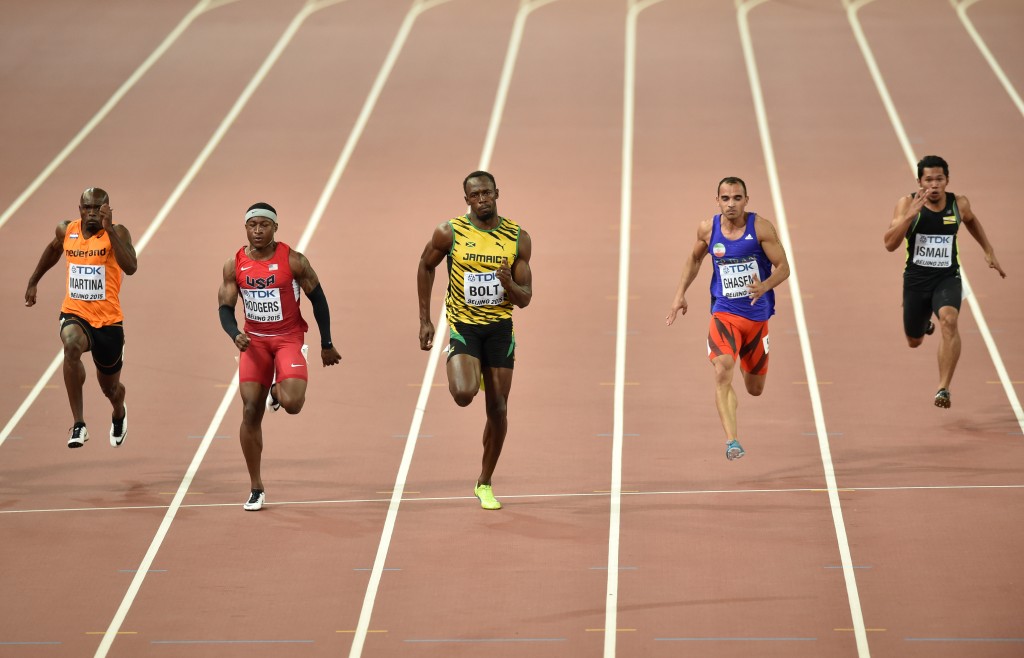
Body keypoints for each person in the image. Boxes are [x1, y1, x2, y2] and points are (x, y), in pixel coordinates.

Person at [417, 171, 533, 510]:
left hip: (499, 330)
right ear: (466, 200)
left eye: (487, 193)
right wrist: (425, 319)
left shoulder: (517, 237)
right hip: (464, 326)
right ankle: (470, 366)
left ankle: (484, 482)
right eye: (475, 195)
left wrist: (509, 283)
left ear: (497, 193)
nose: (482, 199)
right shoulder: (450, 232)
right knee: (464, 394)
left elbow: (525, 299)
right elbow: (425, 266)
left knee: (498, 408)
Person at [218, 202, 341, 511]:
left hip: (288, 339)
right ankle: (256, 487)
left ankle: (277, 389)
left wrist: (326, 342)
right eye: (252, 225)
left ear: (275, 228)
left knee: (293, 405)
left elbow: (319, 299)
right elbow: (224, 306)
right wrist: (234, 333)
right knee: (249, 411)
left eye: (264, 225)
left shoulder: (294, 261)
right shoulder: (234, 265)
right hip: (255, 343)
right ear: (245, 228)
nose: (258, 231)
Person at [665, 177, 790, 460]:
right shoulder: (708, 230)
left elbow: (784, 267)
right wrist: (679, 294)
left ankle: (747, 357)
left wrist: (765, 286)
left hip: (757, 319)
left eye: (737, 198)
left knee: (754, 389)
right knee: (722, 370)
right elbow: (694, 260)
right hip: (724, 314)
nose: (731, 204)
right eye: (725, 198)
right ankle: (732, 441)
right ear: (717, 200)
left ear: (746, 200)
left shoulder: (760, 228)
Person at [883, 155, 1005, 408]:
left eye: (939, 179)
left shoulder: (959, 204)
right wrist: (910, 217)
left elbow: (971, 221)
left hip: (947, 277)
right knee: (914, 341)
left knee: (950, 320)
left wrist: (988, 249)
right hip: (916, 280)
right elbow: (889, 245)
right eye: (929, 180)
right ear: (919, 181)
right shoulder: (906, 204)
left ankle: (943, 389)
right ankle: (924, 323)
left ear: (947, 180)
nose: (934, 185)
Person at [25, 188, 137, 448]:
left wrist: (108, 229)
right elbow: (54, 250)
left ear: (108, 209)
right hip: (75, 313)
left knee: (110, 389)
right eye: (87, 208)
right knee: (71, 344)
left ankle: (119, 411)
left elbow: (130, 267)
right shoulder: (67, 230)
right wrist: (33, 281)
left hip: (108, 322)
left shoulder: (117, 233)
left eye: (98, 208)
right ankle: (79, 424)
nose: (92, 213)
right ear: (79, 209)